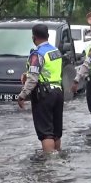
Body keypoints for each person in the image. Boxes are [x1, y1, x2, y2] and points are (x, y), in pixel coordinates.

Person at [18, 24, 64, 160]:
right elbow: (48, 71)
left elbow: (33, 78)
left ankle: (48, 166)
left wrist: (22, 95)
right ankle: (57, 158)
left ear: (34, 37)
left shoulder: (37, 54)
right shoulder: (56, 51)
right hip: (58, 92)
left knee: (46, 133)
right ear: (48, 36)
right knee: (56, 132)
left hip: (44, 94)